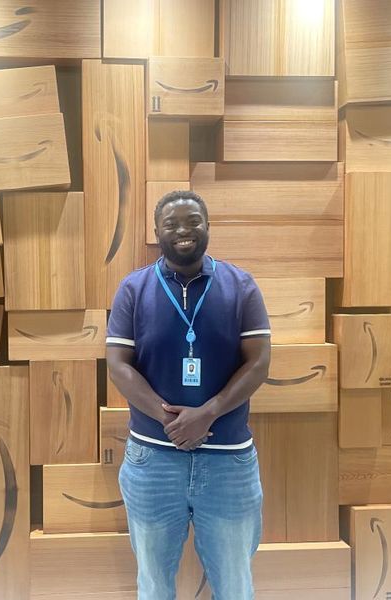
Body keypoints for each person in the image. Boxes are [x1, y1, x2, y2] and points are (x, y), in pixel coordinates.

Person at [106, 190, 272, 599]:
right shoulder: (133, 289)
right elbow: (118, 365)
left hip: (228, 462)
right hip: (153, 460)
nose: (183, 231)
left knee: (235, 585)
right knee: (154, 585)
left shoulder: (241, 286)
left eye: (193, 221)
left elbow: (259, 363)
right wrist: (170, 420)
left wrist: (208, 413)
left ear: (208, 227)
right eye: (172, 224)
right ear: (157, 232)